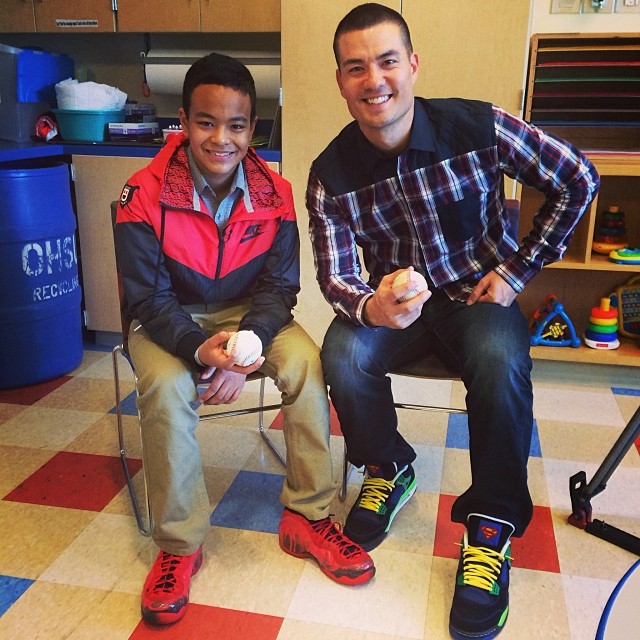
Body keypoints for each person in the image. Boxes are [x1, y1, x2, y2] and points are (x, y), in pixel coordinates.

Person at [306, 5, 599, 640]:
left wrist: (521, 269)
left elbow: (578, 178)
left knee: (498, 361)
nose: (374, 80)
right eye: (356, 67)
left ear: (412, 65)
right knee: (343, 352)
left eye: (387, 61)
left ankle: (491, 524)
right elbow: (334, 276)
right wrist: (370, 305)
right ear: (340, 80)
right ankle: (388, 466)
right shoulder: (330, 175)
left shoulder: (480, 126)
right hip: (398, 309)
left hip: (478, 300)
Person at [114, 52, 374, 626]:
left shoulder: (275, 192)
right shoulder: (143, 192)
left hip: (245, 315)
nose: (221, 138)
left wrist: (244, 350)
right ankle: (179, 546)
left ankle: (308, 514)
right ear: (183, 120)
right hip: (167, 316)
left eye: (236, 125)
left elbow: (281, 286)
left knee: (308, 359)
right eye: (206, 122)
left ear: (253, 128)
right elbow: (147, 298)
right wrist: (197, 349)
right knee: (163, 385)